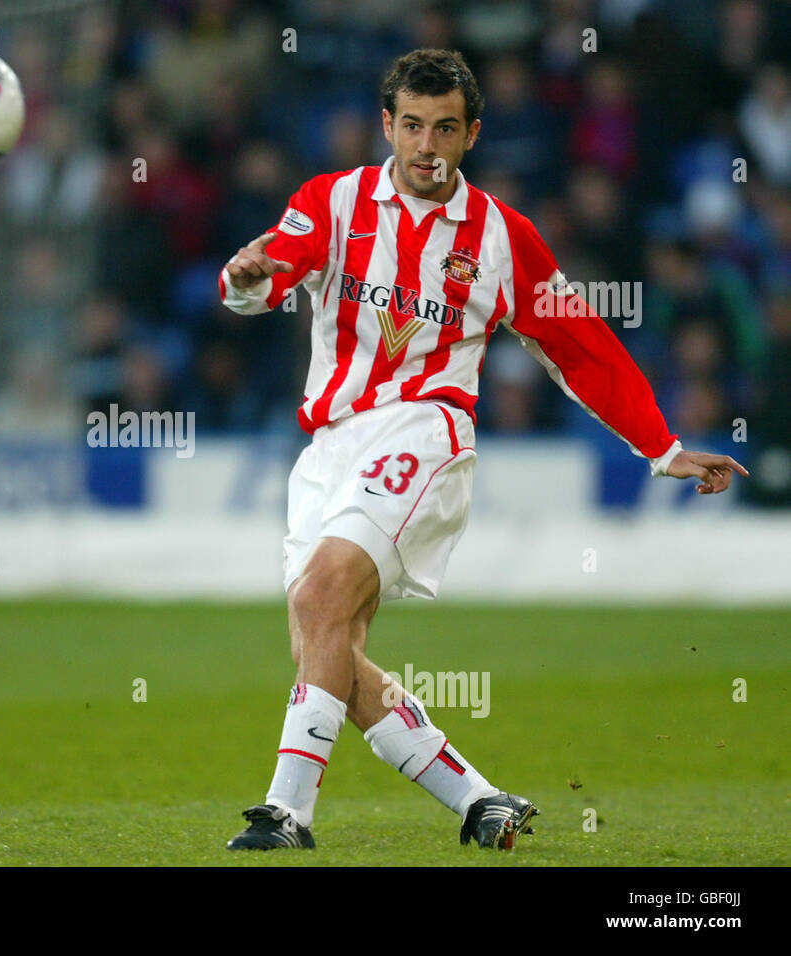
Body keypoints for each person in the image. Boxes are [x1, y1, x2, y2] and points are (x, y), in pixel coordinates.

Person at [219, 49, 748, 851]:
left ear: (472, 134)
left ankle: (287, 812)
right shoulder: (333, 202)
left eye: (444, 129)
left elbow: (580, 346)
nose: (425, 145)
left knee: (322, 595)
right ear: (387, 125)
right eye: (411, 126)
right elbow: (267, 271)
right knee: (324, 640)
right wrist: (248, 275)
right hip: (329, 447)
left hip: (425, 435)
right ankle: (479, 799)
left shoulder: (502, 237)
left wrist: (661, 445)